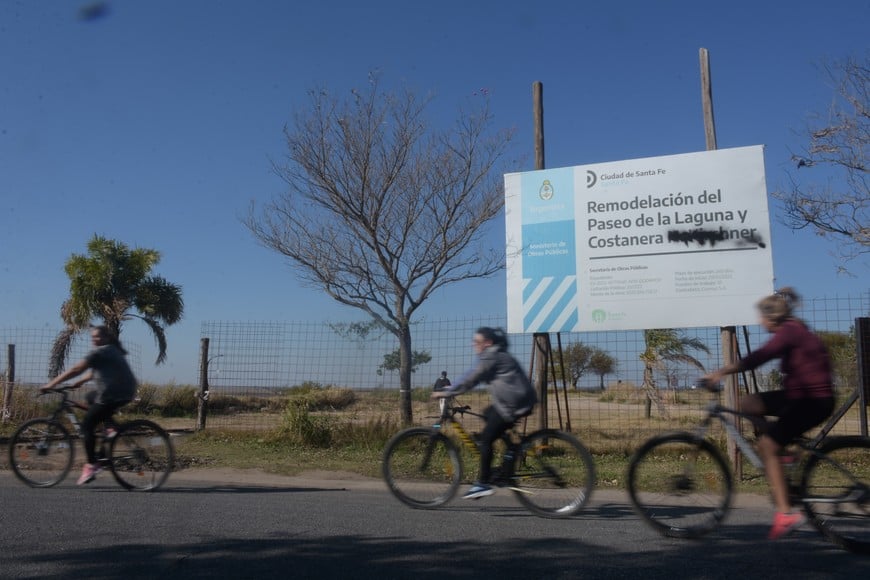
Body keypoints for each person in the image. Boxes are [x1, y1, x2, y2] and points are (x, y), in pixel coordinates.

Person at [702, 287, 834, 540]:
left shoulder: (788, 333)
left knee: (766, 446)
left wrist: (720, 372)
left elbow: (757, 358)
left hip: (812, 401)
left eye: (761, 318)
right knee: (746, 404)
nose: (760, 322)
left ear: (771, 318)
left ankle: (786, 512)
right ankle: (783, 451)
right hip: (801, 396)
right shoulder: (795, 327)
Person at [432, 327, 537, 499]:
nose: (474, 345)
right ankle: (508, 458)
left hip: (513, 404)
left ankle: (482, 483)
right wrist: (452, 389)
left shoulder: (491, 355)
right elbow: (471, 377)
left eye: (477, 342)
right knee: (488, 413)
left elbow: (471, 378)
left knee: (487, 438)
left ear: (487, 343)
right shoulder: (496, 354)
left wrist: (445, 392)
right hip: (514, 401)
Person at [40, 325, 138, 485]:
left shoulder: (102, 351)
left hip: (113, 394)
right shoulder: (110, 350)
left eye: (98, 337)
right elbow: (93, 372)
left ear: (106, 338)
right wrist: (77, 383)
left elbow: (76, 368)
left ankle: (92, 465)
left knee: (87, 426)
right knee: (91, 396)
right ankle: (109, 427)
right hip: (123, 391)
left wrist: (51, 384)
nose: (95, 340)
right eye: (93, 337)